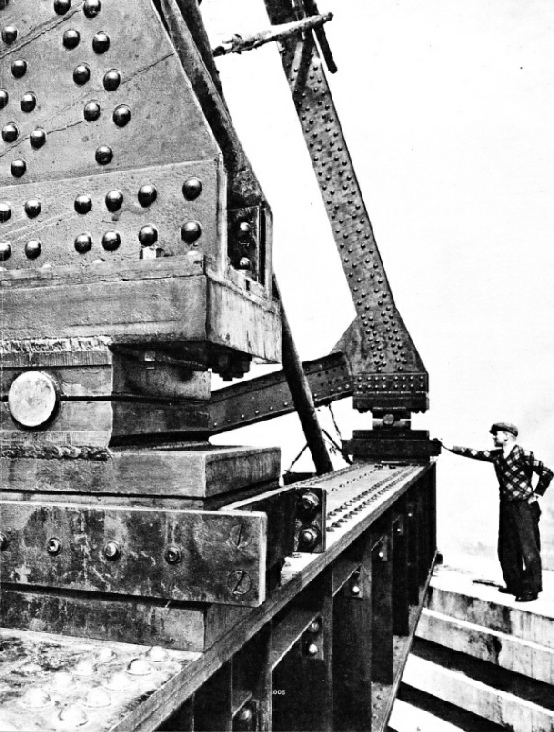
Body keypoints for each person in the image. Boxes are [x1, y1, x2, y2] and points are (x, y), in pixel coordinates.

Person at [440, 422, 553, 602]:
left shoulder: (523, 455)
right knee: (506, 548)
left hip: (524, 506)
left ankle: (530, 590)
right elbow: (474, 453)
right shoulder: (497, 456)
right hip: (507, 506)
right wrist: (450, 447)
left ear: (507, 436)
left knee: (528, 548)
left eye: (496, 434)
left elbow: (547, 472)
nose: (493, 437)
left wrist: (537, 494)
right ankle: (514, 585)